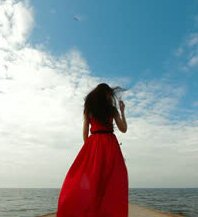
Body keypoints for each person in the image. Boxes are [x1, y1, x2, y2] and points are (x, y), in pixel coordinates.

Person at [57, 83, 128, 217]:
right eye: (109, 94)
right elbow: (123, 129)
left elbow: (85, 132)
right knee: (109, 180)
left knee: (92, 180)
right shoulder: (112, 109)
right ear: (104, 94)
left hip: (94, 143)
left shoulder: (89, 109)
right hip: (109, 144)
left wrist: (88, 149)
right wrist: (122, 112)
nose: (110, 96)